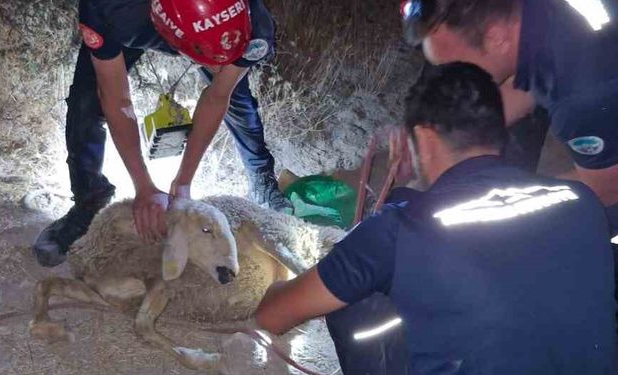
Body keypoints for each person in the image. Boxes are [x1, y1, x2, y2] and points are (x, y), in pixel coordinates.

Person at [255, 62, 617, 374]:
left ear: (424, 139)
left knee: (362, 296)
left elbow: (273, 315)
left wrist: (273, 286)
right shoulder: (580, 200)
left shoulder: (397, 231)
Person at [33, 0, 292, 267]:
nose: (218, 67)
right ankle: (89, 203)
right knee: (86, 102)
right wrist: (142, 186)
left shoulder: (254, 26)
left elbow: (217, 96)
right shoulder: (108, 8)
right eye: (213, 62)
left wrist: (183, 182)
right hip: (148, 21)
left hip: (210, 31)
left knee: (237, 98)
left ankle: (262, 179)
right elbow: (116, 98)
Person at [400, 0, 618, 237]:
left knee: (545, 235)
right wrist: (445, 137)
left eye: (453, 68)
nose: (451, 79)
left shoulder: (580, 102)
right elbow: (531, 84)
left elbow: (606, 191)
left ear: (496, 38)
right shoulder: (532, 20)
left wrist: (498, 198)